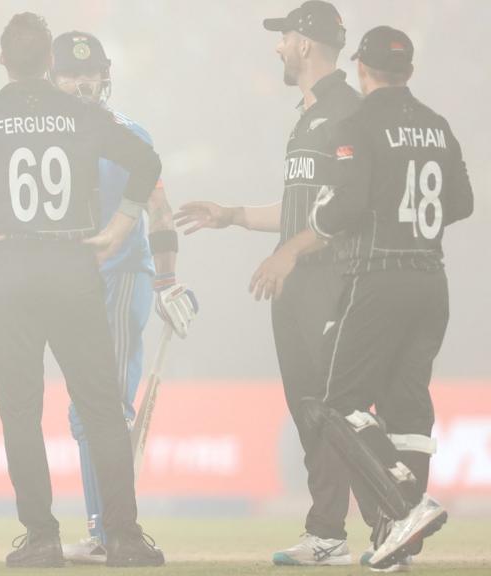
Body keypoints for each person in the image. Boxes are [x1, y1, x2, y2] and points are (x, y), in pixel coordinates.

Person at [0, 12, 166, 568]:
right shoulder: (79, 114)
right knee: (102, 409)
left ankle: (41, 537)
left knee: (23, 410)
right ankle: (124, 537)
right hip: (73, 264)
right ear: (50, 62)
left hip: (9, 269)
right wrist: (118, 230)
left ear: (4, 61)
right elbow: (145, 163)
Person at [174, 1, 363, 565]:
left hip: (330, 280)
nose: (277, 47)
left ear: (305, 44)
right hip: (297, 283)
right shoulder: (307, 115)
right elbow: (300, 206)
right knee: (309, 408)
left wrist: (288, 253)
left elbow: (346, 210)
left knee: (333, 408)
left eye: (283, 38)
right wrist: (232, 214)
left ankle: (352, 527)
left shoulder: (348, 112)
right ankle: (326, 532)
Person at [306, 25, 473, 570]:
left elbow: (343, 209)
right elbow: (463, 202)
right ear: (409, 71)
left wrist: (321, 215)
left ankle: (403, 506)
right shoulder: (438, 127)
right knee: (407, 408)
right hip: (432, 279)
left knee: (339, 402)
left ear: (361, 68)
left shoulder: (357, 125)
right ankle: (397, 543)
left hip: (379, 278)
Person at [48, 30, 194, 564]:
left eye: (90, 73)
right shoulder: (45, 136)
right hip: (65, 283)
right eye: (70, 73)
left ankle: (111, 530)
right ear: (52, 77)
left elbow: (159, 209)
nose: (83, 82)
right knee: (84, 413)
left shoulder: (129, 133)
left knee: (102, 408)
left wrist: (168, 279)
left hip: (121, 277)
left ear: (105, 75)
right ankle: (103, 527)